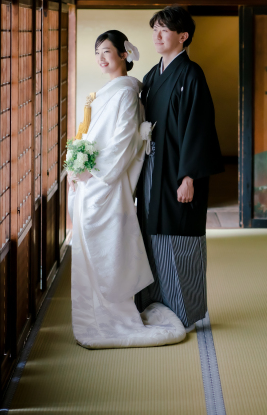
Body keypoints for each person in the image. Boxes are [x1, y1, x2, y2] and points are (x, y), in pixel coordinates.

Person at [68, 29, 186, 349]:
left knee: (109, 246)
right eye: (97, 53)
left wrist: (96, 176)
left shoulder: (125, 94)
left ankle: (114, 309)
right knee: (94, 245)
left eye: (107, 51)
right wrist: (81, 164)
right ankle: (95, 307)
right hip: (94, 178)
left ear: (124, 54)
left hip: (107, 182)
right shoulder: (109, 91)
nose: (101, 58)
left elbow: (123, 142)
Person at [136, 6, 224, 331]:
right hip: (151, 169)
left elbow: (198, 128)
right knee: (151, 231)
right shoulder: (152, 74)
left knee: (179, 235)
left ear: (182, 36)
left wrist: (189, 176)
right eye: (155, 30)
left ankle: (184, 311)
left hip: (177, 170)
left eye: (163, 30)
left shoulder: (191, 74)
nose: (157, 36)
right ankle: (156, 302)